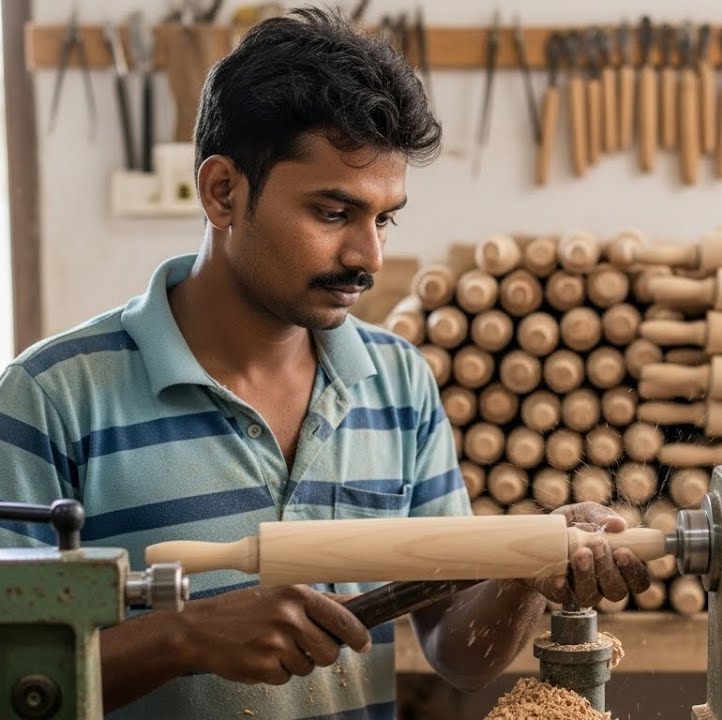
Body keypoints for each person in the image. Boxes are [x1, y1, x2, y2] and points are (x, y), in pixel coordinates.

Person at [0, 7, 650, 718]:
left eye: (384, 218)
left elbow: (458, 654)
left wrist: (530, 565)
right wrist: (183, 637)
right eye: (334, 213)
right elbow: (11, 677)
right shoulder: (51, 398)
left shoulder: (398, 383)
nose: (368, 256)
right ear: (223, 192)